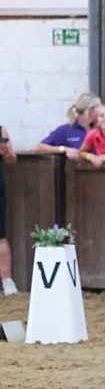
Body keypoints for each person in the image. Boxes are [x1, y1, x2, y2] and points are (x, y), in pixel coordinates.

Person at [36, 92, 99, 158]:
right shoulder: (66, 130)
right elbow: (40, 147)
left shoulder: (100, 129)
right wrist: (64, 149)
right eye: (99, 107)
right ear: (91, 109)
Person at [0, 123, 17, 294]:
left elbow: (12, 159)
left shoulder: (1, 129)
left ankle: (7, 280)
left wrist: (5, 152)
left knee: (1, 236)